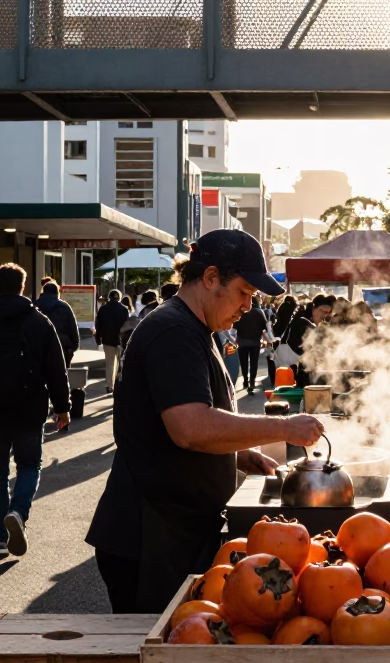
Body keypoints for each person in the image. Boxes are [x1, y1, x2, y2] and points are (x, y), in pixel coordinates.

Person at [85, 230, 325, 612]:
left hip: (175, 529)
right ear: (211, 278)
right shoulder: (173, 331)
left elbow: (190, 419)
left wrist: (239, 454)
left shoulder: (198, 328)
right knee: (159, 658)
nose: (248, 306)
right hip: (150, 537)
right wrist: (284, 426)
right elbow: (191, 428)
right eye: (244, 292)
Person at [0, 263, 71, 558]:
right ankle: (18, 511)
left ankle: (0, 538)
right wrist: (62, 407)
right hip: (29, 409)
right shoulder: (38, 321)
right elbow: (56, 368)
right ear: (23, 287)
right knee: (29, 466)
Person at [283, 294, 335, 387]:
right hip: (303, 372)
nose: (323, 315)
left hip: (310, 370)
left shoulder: (315, 324)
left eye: (326, 312)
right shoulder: (302, 322)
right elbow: (294, 345)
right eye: (322, 310)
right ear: (313, 307)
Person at [35, 281, 80, 367]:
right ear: (57, 293)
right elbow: (73, 329)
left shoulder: (35, 306)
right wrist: (73, 346)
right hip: (62, 346)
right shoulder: (65, 307)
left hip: (39, 348)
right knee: (61, 376)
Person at [94, 290, 129, 395]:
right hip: (121, 340)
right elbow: (127, 326)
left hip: (107, 339)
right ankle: (120, 384)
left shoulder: (103, 309)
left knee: (109, 363)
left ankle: (110, 386)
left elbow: (98, 325)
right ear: (119, 297)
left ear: (109, 297)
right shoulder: (124, 309)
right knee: (120, 363)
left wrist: (98, 337)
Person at [234, 297, 270, 395]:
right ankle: (252, 383)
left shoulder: (241, 312)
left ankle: (245, 380)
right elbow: (265, 327)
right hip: (255, 342)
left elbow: (235, 326)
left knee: (244, 362)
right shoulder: (259, 312)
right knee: (254, 363)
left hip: (242, 342)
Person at [269, 294, 298, 385]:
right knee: (291, 360)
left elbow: (276, 322)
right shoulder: (294, 310)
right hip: (289, 337)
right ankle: (291, 378)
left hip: (278, 335)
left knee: (278, 358)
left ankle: (281, 377)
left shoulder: (281, 308)